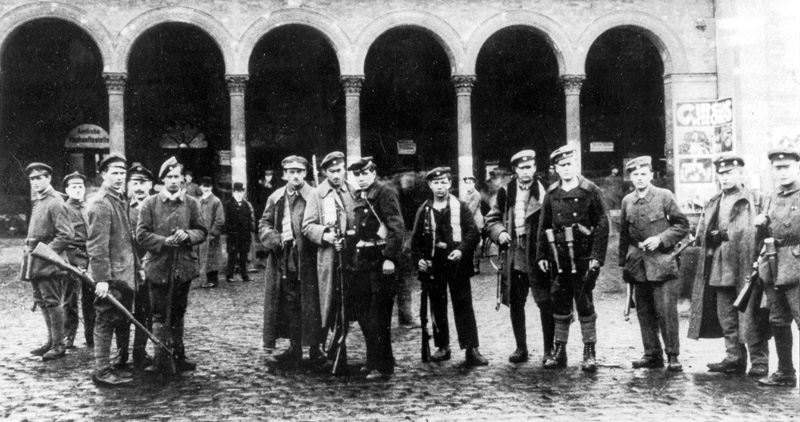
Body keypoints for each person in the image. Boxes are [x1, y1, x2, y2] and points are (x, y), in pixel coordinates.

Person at [687, 154, 771, 377]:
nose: (724, 177)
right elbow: (702, 235)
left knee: (751, 315)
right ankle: (734, 358)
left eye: (730, 173)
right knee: (726, 315)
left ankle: (759, 361)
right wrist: (711, 235)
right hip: (720, 265)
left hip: (748, 264)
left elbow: (768, 231)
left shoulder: (756, 199)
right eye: (721, 174)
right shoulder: (714, 201)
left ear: (741, 174)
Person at [536, 145, 609, 372]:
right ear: (556, 168)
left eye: (569, 164)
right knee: (560, 301)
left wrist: (597, 256)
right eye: (562, 165)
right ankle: (559, 351)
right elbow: (544, 225)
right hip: (559, 257)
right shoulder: (552, 192)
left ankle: (589, 351)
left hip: (583, 255)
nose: (566, 168)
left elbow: (602, 223)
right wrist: (542, 255)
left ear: (575, 165)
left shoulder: (590, 189)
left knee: (584, 301)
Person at [136, 156, 207, 375]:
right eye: (169, 177)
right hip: (158, 267)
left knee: (178, 312)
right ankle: (161, 359)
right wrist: (164, 241)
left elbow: (202, 231)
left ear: (183, 179)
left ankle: (179, 355)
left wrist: (187, 235)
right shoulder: (150, 203)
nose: (174, 181)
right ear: (163, 180)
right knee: (159, 314)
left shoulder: (192, 203)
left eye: (177, 176)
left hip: (183, 268)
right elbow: (141, 235)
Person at [618, 156, 689, 372]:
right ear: (630, 178)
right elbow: (624, 235)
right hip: (638, 265)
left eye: (643, 174)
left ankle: (673, 355)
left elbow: (682, 225)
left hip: (662, 262)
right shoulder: (627, 201)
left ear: (651, 175)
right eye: (635, 174)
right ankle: (652, 354)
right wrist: (624, 265)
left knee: (666, 312)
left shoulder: (664, 196)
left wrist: (660, 239)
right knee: (644, 311)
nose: (640, 178)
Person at [411, 167, 487, 366]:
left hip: (457, 264)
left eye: (444, 182)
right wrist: (419, 260)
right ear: (430, 185)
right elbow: (415, 241)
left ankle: (471, 349)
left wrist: (461, 250)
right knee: (437, 306)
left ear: (450, 184)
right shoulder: (424, 210)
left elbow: (472, 233)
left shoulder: (460, 206)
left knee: (464, 306)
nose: (440, 187)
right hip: (434, 264)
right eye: (436, 183)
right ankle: (442, 346)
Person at [484, 150, 549, 364]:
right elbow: (491, 219)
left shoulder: (546, 189)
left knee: (545, 302)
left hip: (539, 255)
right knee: (516, 302)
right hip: (515, 256)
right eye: (522, 168)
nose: (526, 171)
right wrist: (500, 232)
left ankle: (549, 349)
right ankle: (521, 348)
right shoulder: (506, 191)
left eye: (530, 167)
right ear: (515, 170)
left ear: (535, 168)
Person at [260, 156, 324, 366]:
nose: (295, 176)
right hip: (284, 257)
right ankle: (294, 347)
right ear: (284, 174)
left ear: (305, 173)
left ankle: (316, 349)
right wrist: (273, 238)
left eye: (299, 171)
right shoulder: (276, 197)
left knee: (312, 301)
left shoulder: (315, 195)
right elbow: (264, 223)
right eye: (291, 172)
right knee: (289, 302)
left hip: (309, 257)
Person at [347, 157, 405, 379]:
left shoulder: (385, 193)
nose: (361, 178)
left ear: (373, 173)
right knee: (363, 314)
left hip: (381, 259)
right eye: (357, 175)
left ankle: (383, 365)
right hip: (362, 259)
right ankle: (372, 360)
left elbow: (397, 227)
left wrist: (390, 257)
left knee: (378, 316)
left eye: (364, 174)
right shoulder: (360, 195)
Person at [302, 151, 359, 374]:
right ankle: (329, 351)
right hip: (329, 259)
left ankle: (338, 349)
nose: (337, 175)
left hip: (351, 257)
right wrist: (325, 234)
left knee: (348, 304)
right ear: (325, 172)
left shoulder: (352, 191)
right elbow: (307, 226)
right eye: (332, 171)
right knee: (330, 305)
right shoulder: (317, 194)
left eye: (340, 170)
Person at [86, 155, 138, 386]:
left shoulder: (119, 200)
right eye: (114, 172)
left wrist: (138, 266)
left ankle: (114, 365)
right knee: (105, 320)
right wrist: (102, 279)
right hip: (111, 276)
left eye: (122, 172)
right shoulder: (101, 203)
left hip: (124, 274)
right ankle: (102, 371)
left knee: (119, 319)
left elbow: (127, 240)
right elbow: (97, 246)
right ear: (103, 174)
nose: (119, 177)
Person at [753, 146, 800, 387]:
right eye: (777, 168)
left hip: (797, 267)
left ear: (797, 167)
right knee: (779, 319)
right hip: (773, 265)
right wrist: (761, 224)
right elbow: (766, 234)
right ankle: (785, 372)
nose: (782, 172)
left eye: (786, 167)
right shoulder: (771, 196)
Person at [22, 162, 73, 361]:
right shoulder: (40, 200)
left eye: (39, 178)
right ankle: (51, 341)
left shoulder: (55, 201)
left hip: (49, 262)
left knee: (52, 302)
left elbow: (66, 235)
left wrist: (46, 252)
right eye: (32, 179)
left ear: (48, 178)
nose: (35, 182)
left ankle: (59, 345)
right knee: (42, 302)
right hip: (36, 261)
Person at [123, 163, 155, 370]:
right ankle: (121, 353)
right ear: (129, 185)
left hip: (151, 266)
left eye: (143, 183)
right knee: (124, 311)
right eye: (135, 183)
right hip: (129, 267)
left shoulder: (156, 206)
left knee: (146, 311)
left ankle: (139, 351)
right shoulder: (124, 208)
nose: (139, 187)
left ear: (150, 185)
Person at [61, 172, 89, 350]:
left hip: (90, 256)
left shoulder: (88, 207)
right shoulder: (64, 209)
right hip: (72, 257)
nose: (78, 190)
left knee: (91, 297)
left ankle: (91, 335)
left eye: (80, 186)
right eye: (74, 187)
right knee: (70, 298)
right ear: (67, 190)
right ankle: (68, 335)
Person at [224, 182, 255, 283]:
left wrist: (249, 229)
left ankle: (244, 275)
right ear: (233, 192)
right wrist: (230, 231)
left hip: (244, 235)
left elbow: (249, 219)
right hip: (233, 235)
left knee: (244, 255)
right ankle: (229, 275)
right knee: (232, 255)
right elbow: (226, 220)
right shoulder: (228, 204)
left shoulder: (246, 204)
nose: (239, 194)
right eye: (237, 192)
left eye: (241, 192)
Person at [198, 177, 225, 289]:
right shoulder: (199, 201)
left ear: (212, 187)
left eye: (208, 186)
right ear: (200, 187)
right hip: (200, 235)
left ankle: (213, 280)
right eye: (204, 186)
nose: (206, 188)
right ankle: (203, 279)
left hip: (211, 235)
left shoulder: (216, 201)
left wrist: (213, 234)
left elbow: (220, 220)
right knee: (202, 257)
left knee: (212, 258)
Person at [461, 174, 484, 274]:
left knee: (477, 244)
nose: (468, 185)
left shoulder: (476, 194)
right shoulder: (467, 194)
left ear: (474, 184)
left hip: (476, 222)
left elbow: (471, 210)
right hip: (470, 221)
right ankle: (469, 265)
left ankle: (476, 266)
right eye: (466, 183)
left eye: (470, 183)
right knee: (469, 242)